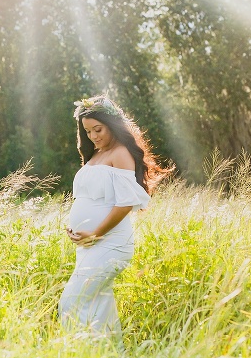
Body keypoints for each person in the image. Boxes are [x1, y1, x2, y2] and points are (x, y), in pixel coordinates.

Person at [60, 94, 172, 336]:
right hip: (89, 244)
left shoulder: (120, 152)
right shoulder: (95, 155)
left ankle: (78, 354)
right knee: (98, 308)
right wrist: (76, 228)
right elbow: (88, 198)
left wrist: (95, 232)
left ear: (111, 124)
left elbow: (125, 203)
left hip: (109, 243)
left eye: (98, 129)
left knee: (70, 303)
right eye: (88, 131)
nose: (93, 136)